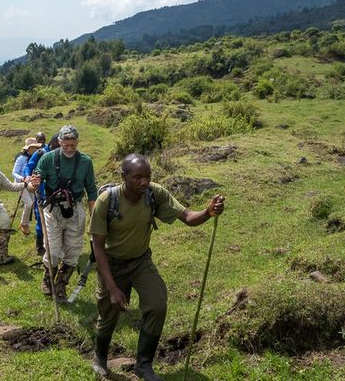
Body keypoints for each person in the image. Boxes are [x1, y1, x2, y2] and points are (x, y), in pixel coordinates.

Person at [88, 154, 225, 380]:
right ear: (124, 177)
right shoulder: (106, 201)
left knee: (157, 303)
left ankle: (143, 364)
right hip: (111, 264)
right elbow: (98, 248)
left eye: (148, 176)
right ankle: (100, 358)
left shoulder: (154, 193)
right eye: (138, 177)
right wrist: (112, 288)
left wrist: (208, 212)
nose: (144, 181)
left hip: (141, 261)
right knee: (109, 313)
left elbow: (188, 217)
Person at [34, 125, 97, 302]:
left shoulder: (86, 161)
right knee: (53, 251)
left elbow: (91, 190)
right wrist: (35, 183)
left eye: (73, 145)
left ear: (77, 142)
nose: (69, 149)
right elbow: (34, 183)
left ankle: (61, 284)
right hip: (53, 209)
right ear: (59, 142)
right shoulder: (47, 159)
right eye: (65, 145)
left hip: (76, 209)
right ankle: (48, 277)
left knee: (73, 251)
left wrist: (94, 216)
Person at [24, 133, 59, 256]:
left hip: (55, 190)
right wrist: (28, 178)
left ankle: (53, 244)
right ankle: (40, 245)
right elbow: (29, 167)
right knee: (40, 217)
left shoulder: (61, 154)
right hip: (41, 190)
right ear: (53, 143)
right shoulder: (40, 153)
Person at [12, 137, 42, 235]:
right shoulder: (21, 158)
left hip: (30, 184)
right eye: (33, 147)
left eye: (36, 147)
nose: (35, 149)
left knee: (32, 203)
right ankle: (24, 224)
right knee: (29, 204)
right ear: (28, 148)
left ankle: (24, 223)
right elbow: (14, 172)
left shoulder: (35, 157)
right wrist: (22, 178)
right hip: (20, 184)